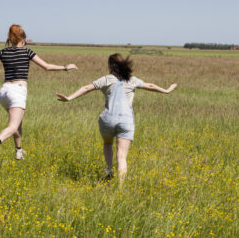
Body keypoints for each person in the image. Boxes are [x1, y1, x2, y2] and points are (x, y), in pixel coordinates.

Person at [56, 53, 177, 185]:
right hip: (126, 121)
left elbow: (86, 88)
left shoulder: (107, 79)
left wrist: (68, 98)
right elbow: (151, 86)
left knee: (108, 144)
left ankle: (109, 170)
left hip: (108, 119)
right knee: (122, 155)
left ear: (110, 66)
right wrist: (166, 90)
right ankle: (120, 187)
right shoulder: (131, 79)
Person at [0, 24, 78, 162]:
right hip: (17, 91)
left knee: (18, 122)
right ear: (23, 38)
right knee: (13, 126)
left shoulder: (2, 52)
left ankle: (19, 151)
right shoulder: (28, 52)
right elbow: (47, 67)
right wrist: (65, 67)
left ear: (10, 39)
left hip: (3, 92)